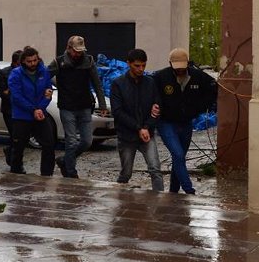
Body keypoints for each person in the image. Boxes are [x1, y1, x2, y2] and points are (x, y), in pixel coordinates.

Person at [152, 48, 217, 194]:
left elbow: (213, 89)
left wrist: (199, 108)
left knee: (179, 157)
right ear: (170, 64)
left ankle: (173, 192)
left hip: (186, 122)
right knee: (178, 154)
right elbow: (152, 95)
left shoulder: (198, 76)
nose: (180, 70)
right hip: (166, 122)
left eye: (183, 67)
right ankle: (189, 190)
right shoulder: (160, 77)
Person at [48, 35, 108, 178]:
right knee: (70, 141)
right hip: (67, 107)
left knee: (87, 141)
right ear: (68, 48)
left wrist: (103, 105)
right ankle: (70, 172)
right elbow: (44, 76)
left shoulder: (89, 61)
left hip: (84, 106)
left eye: (81, 51)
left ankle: (64, 160)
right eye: (76, 51)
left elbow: (97, 84)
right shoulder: (59, 62)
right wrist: (47, 89)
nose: (78, 54)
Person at [110, 48, 164, 191]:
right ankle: (121, 201)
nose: (141, 69)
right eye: (137, 66)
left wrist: (147, 126)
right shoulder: (118, 84)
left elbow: (157, 107)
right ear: (129, 64)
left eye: (143, 65)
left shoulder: (150, 83)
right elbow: (117, 112)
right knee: (126, 173)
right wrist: (138, 128)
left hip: (147, 133)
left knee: (155, 169)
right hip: (127, 136)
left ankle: (160, 202)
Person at [8, 46, 55, 176]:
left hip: (40, 114)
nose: (32, 64)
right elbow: (17, 96)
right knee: (19, 146)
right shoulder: (16, 74)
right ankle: (16, 171)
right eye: (29, 61)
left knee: (49, 144)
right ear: (23, 61)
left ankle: (47, 173)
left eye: (35, 60)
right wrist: (33, 109)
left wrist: (41, 108)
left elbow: (48, 92)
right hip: (22, 116)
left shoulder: (44, 72)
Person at [0, 49, 23, 166]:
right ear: (16, 63)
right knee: (15, 135)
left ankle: (10, 152)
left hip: (21, 109)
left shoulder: (24, 72)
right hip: (9, 109)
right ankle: (15, 162)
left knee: (19, 136)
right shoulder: (5, 73)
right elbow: (3, 93)